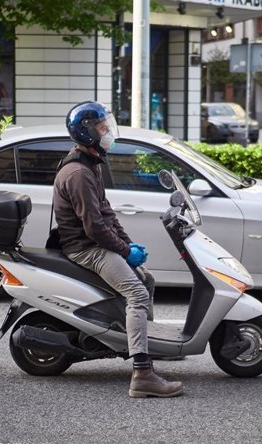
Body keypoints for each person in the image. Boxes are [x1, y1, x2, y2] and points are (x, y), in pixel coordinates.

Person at [53, 101, 184, 398]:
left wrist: (128, 244)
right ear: (86, 133)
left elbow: (106, 214)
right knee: (137, 294)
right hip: (86, 248)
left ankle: (148, 348)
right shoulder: (78, 174)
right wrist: (125, 252)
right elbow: (94, 228)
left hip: (95, 242)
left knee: (146, 278)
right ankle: (142, 374)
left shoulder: (91, 163)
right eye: (102, 128)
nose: (108, 132)